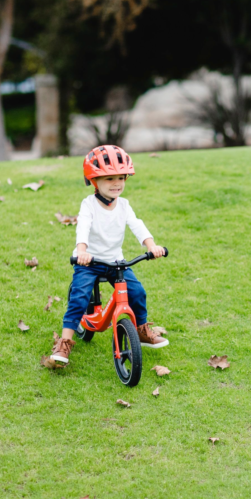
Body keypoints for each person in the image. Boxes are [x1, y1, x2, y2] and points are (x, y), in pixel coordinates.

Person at [46, 145, 168, 366]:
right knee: (79, 298)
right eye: (110, 178)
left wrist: (152, 245)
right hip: (88, 262)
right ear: (94, 181)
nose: (117, 183)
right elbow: (82, 227)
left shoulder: (124, 205)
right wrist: (81, 251)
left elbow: (137, 225)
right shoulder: (89, 205)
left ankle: (140, 330)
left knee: (137, 292)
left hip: (115, 262)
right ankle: (64, 343)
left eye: (121, 177)